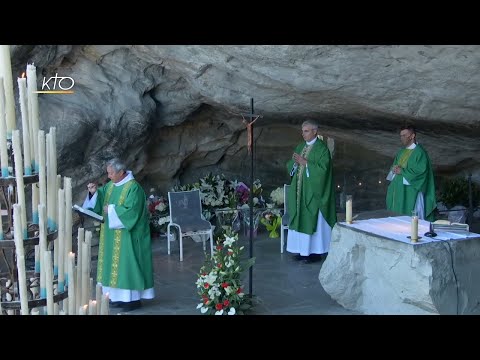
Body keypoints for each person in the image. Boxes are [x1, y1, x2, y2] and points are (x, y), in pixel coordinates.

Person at [82, 158, 154, 311]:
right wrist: (93, 192)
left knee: (127, 266)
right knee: (112, 265)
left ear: (121, 172)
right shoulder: (110, 186)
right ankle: (116, 297)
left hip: (128, 236)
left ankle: (131, 300)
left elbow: (132, 211)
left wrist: (113, 210)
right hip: (110, 235)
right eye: (108, 173)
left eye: (111, 173)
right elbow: (100, 199)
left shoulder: (134, 188)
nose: (108, 176)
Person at [286, 120, 337, 262]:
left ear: (315, 131)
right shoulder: (300, 146)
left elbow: (324, 170)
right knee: (299, 218)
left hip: (314, 193)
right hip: (299, 193)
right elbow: (291, 164)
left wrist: (306, 163)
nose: (303, 134)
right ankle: (301, 251)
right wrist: (295, 163)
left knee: (314, 220)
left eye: (306, 131)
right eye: (302, 131)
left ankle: (315, 252)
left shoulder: (322, 149)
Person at [386, 124, 437, 221]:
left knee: (413, 220)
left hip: (411, 191)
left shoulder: (420, 152)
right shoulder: (401, 152)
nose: (402, 138)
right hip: (398, 190)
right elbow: (394, 169)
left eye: (404, 135)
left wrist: (402, 171)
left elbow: (421, 173)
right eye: (401, 136)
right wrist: (394, 170)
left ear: (412, 136)